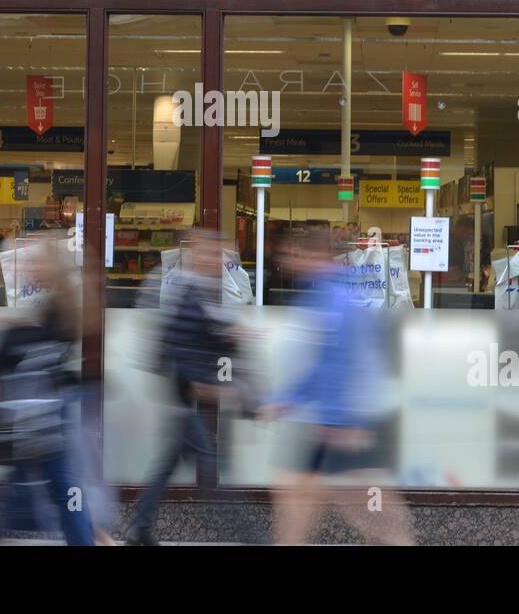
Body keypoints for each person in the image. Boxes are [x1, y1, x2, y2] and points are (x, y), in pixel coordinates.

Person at [259, 230, 413, 546]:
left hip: (342, 424)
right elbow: (319, 364)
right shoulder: (322, 294)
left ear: (315, 256)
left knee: (372, 514)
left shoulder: (334, 298)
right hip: (333, 422)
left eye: (295, 254)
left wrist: (336, 421)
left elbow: (340, 363)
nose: (288, 260)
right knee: (296, 496)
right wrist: (287, 400)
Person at [125, 229, 237, 546]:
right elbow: (179, 346)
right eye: (212, 254)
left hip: (181, 397)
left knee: (167, 463)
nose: (217, 261)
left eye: (220, 255)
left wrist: (230, 336)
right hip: (182, 395)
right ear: (198, 256)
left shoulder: (198, 289)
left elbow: (202, 335)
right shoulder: (187, 290)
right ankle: (253, 536)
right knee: (210, 467)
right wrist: (201, 383)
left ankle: (140, 529)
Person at [0, 236, 95, 545]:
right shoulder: (58, 300)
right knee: (29, 474)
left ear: (52, 267)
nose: (32, 268)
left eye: (37, 262)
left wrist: (12, 332)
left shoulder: (61, 303)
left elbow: (48, 342)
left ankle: (85, 536)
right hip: (41, 407)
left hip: (45, 408)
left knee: (58, 481)